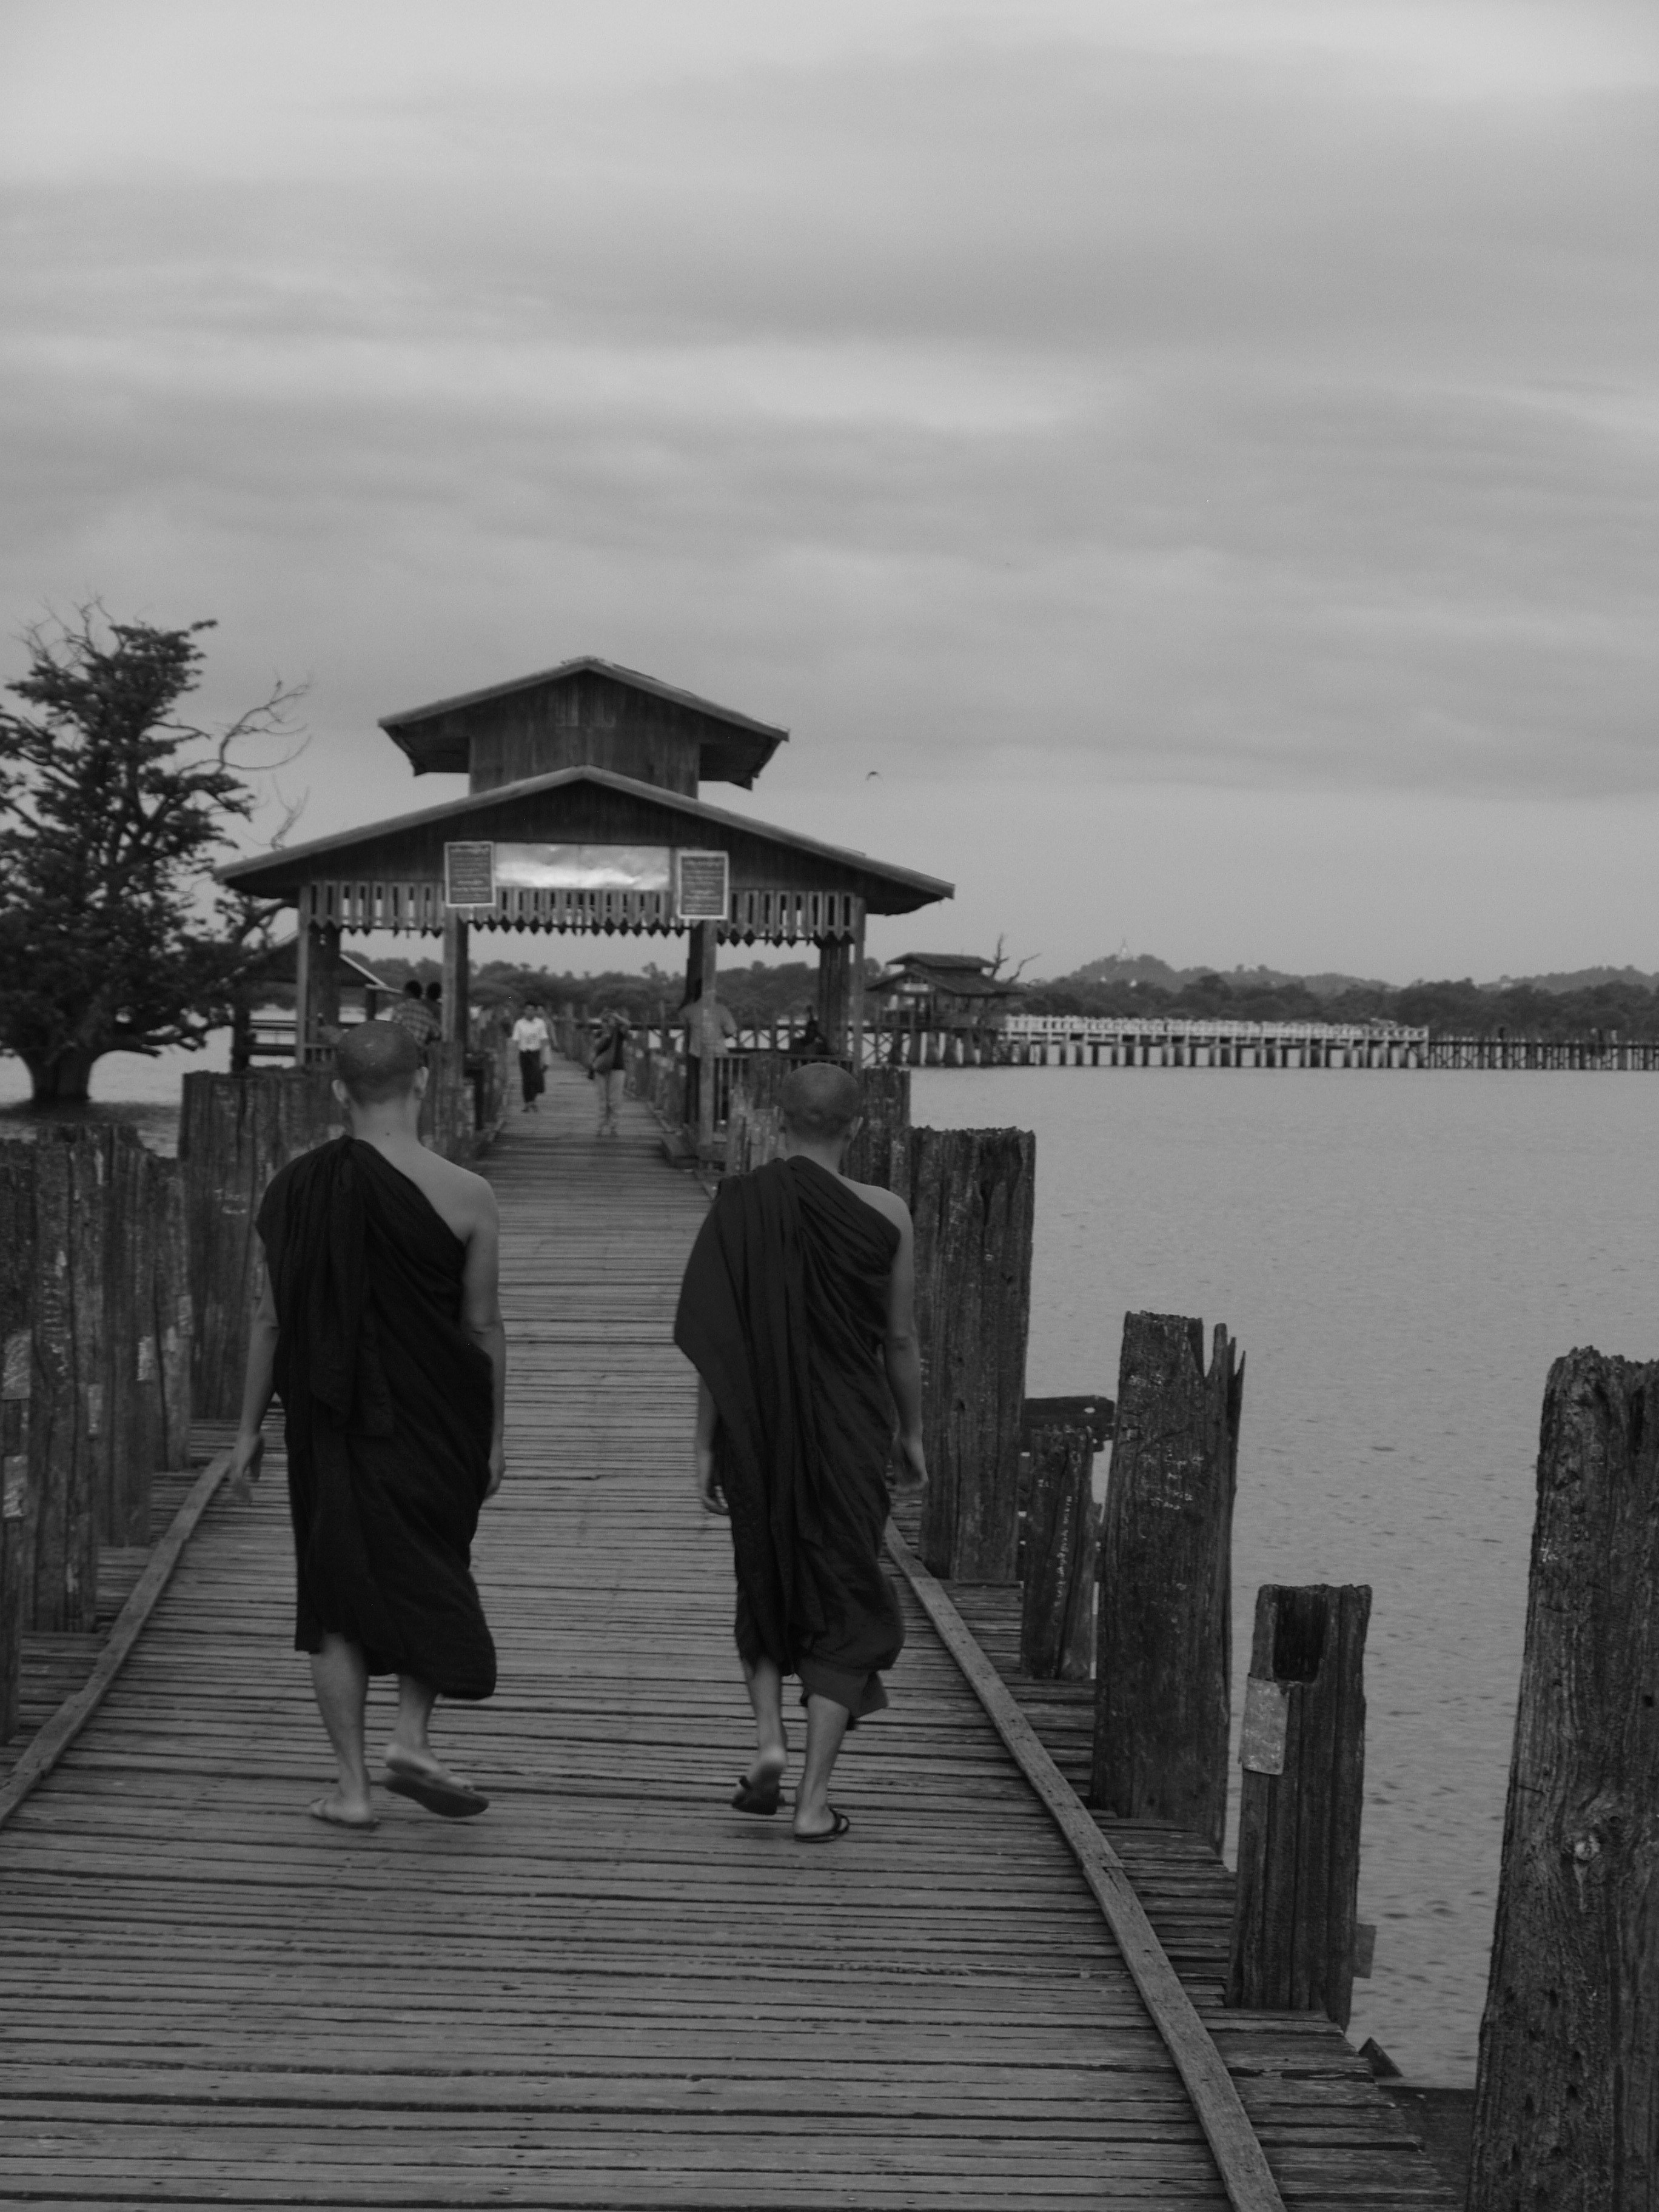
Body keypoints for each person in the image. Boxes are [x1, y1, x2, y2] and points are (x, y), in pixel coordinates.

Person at [227, 1020, 506, 1831]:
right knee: (432, 1566)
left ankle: (352, 1788)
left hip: (328, 1419)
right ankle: (412, 1736)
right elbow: (483, 1326)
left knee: (335, 1597)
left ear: (340, 1090)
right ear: (423, 1083)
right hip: (438, 1416)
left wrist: (247, 1431)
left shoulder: (293, 1187)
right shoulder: (467, 1193)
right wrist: (494, 1436)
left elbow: (267, 1318)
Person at [673, 1061, 927, 1842]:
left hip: (758, 1429)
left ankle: (768, 1741)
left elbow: (722, 1336)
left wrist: (704, 1443)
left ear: (777, 1120)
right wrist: (912, 1432)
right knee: (844, 1598)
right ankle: (813, 1804)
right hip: (850, 1428)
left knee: (765, 1576)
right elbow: (900, 1339)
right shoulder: (886, 1212)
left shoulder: (739, 1204)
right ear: (857, 1127)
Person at [589, 1006, 631, 1135]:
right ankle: (600, 1126)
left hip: (617, 1068)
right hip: (601, 1069)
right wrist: (605, 1035)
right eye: (606, 1020)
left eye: (611, 1020)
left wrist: (617, 1017)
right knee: (602, 1098)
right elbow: (596, 1048)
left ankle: (613, 1126)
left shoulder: (619, 1033)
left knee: (615, 1098)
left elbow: (628, 1024)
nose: (609, 1022)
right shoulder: (599, 1033)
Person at [511, 999, 551, 1112]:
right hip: (524, 1053)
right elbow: (516, 1040)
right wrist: (514, 1055)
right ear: (524, 1011)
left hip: (536, 1053)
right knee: (526, 1078)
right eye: (528, 1010)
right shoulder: (519, 1024)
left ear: (535, 1011)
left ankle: (533, 1100)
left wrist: (545, 1056)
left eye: (533, 1010)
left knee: (535, 1077)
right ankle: (527, 1102)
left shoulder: (540, 1023)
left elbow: (544, 1039)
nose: (530, 1012)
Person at [387, 977, 439, 1051]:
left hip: (400, 1053)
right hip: (417, 1056)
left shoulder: (401, 1009)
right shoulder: (427, 1013)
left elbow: (391, 1032)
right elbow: (437, 1034)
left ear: (408, 992)